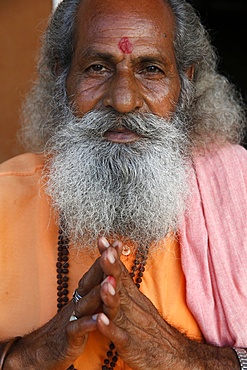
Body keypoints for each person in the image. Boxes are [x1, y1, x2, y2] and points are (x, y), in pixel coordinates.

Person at [0, 0, 246, 368]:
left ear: (186, 82)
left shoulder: (237, 196)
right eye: (97, 67)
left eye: (151, 69)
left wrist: (189, 360)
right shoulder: (4, 199)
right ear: (61, 75)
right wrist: (22, 357)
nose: (124, 100)